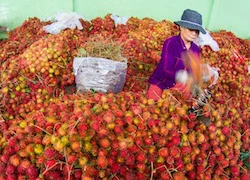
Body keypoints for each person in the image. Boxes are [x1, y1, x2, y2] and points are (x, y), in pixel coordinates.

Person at [147, 9, 206, 101]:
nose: (194, 34)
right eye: (191, 29)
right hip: (163, 82)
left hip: (181, 87)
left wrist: (200, 74)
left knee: (185, 108)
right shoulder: (170, 43)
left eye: (197, 31)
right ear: (181, 27)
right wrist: (182, 76)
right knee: (154, 104)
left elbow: (194, 71)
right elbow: (166, 69)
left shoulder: (196, 49)